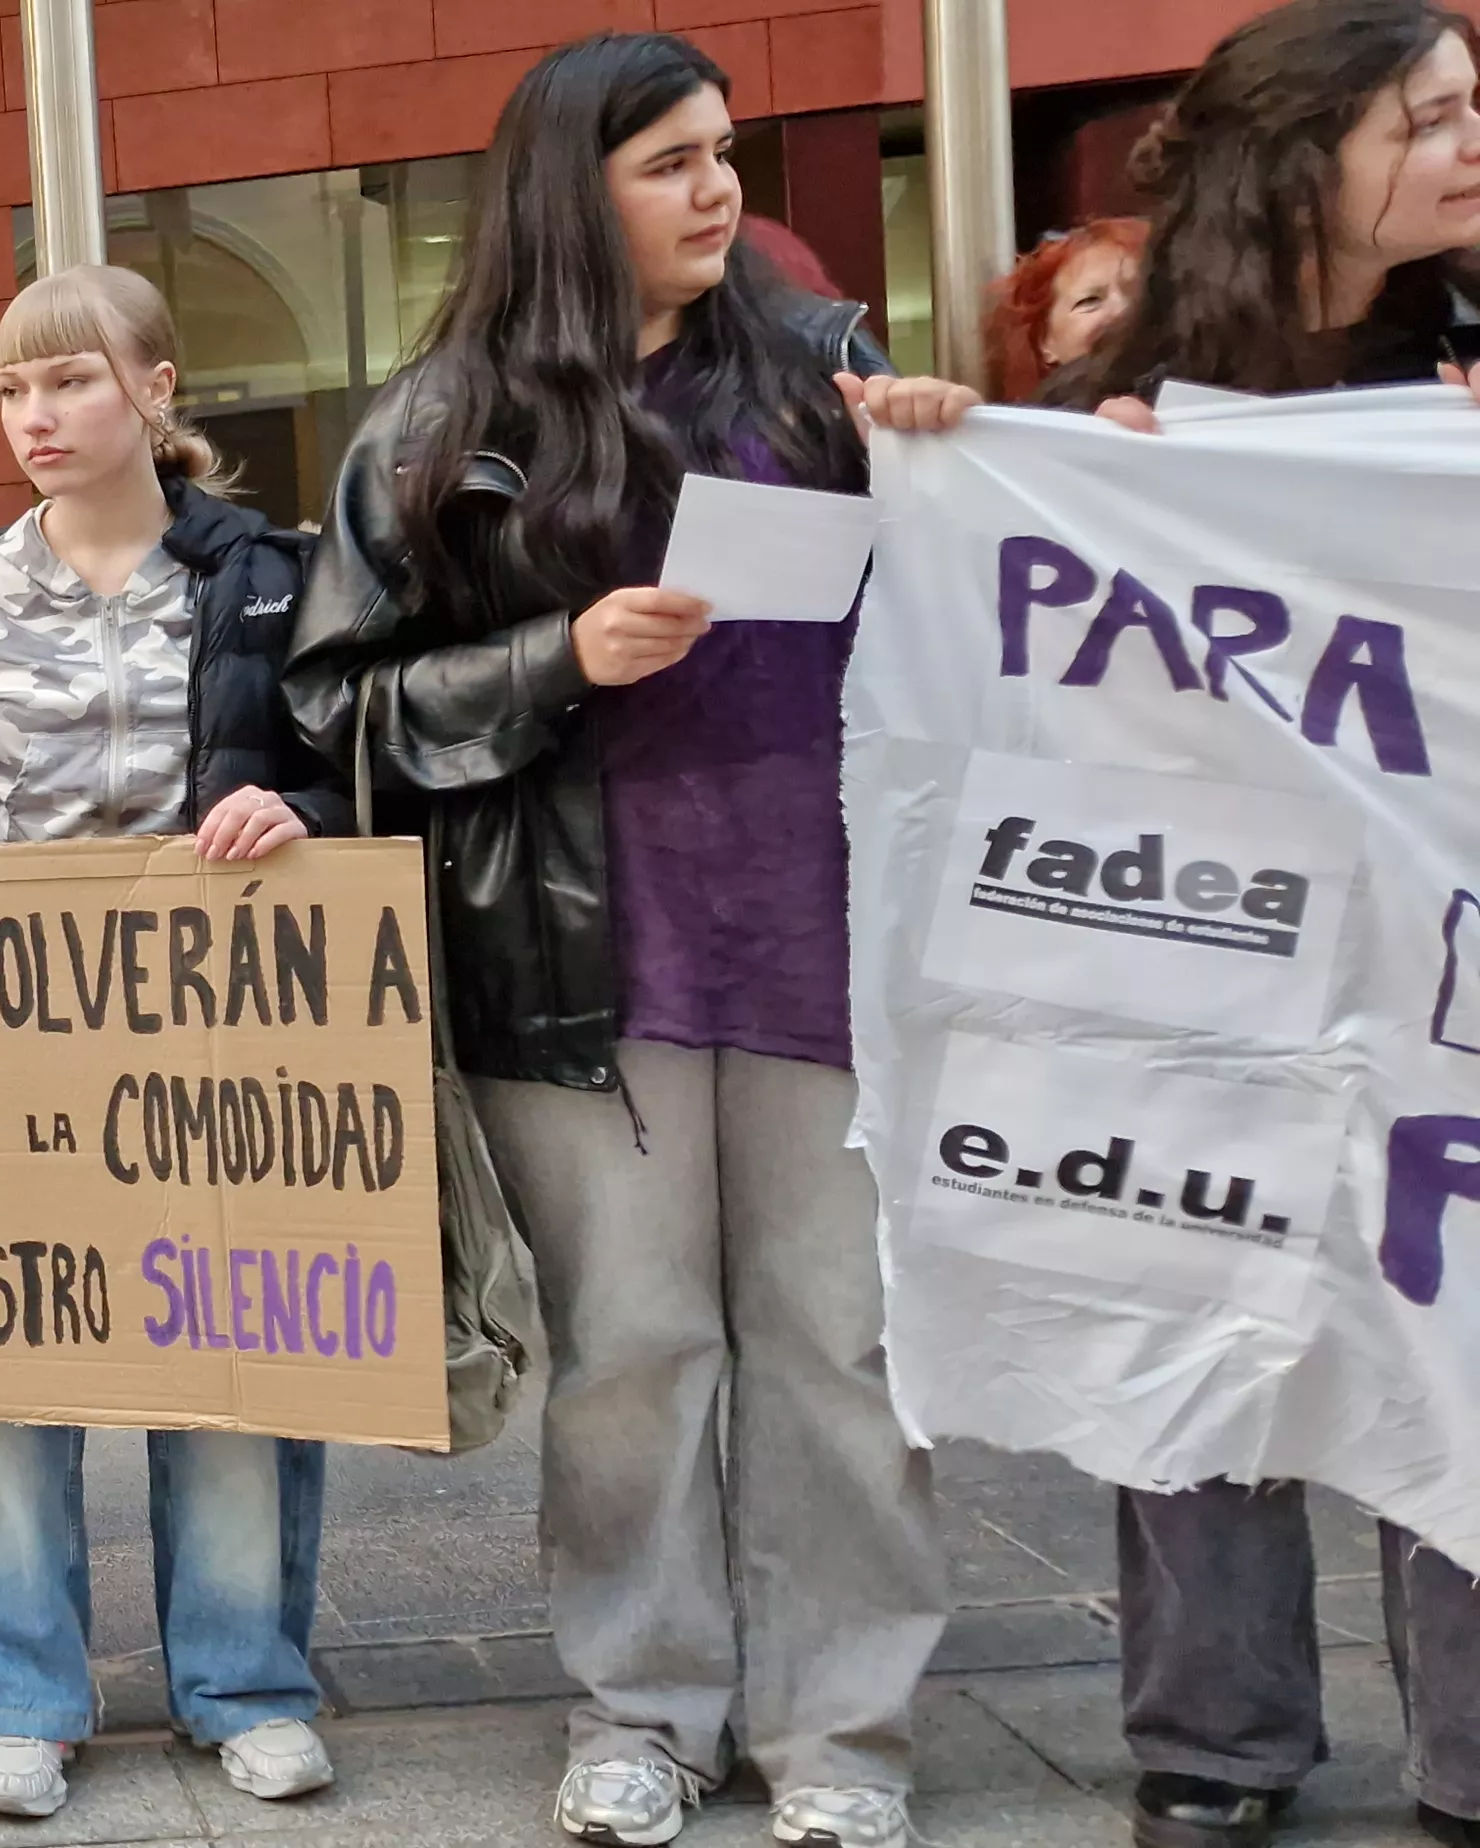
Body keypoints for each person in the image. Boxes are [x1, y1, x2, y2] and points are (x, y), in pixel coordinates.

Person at [285, 33, 978, 1848]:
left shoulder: (831, 367)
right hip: (583, 972)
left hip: (827, 946)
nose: (720, 188)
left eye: (724, 152)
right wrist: (554, 660)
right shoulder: (439, 422)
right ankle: (642, 1712)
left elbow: (984, 608)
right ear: (568, 191)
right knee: (631, 1356)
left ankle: (844, 1733)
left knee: (840, 1349)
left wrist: (951, 458)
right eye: (670, 161)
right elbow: (339, 704)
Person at [0, 263, 350, 1821]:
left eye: (72, 381)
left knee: (241, 1355)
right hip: (7, 1055)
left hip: (225, 1047)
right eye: (14, 387)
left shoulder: (270, 577)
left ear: (158, 392)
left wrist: (296, 809)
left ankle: (243, 1684)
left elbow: (356, 780)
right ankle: (18, 1696)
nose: (37, 416)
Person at [1033, 8, 1480, 1845]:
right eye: (1433, 116)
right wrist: (965, 445)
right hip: (1200, 938)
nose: (1471, 143)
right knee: (1200, 1299)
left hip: (1443, 940)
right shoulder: (1121, 393)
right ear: (1308, 153)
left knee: (1455, 1316)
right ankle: (1215, 1737)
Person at [985, 216, 1150, 401]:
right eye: (1090, 301)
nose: (1121, 308)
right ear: (1043, 341)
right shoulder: (1034, 427)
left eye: (1139, 293)